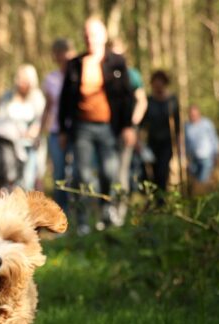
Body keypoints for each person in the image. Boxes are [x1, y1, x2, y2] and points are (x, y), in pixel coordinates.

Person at [58, 17, 135, 234]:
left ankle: (105, 213)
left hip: (109, 127)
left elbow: (127, 96)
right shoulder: (75, 64)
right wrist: (63, 129)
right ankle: (82, 221)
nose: (89, 39)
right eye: (86, 35)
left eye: (93, 34)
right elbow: (65, 100)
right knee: (82, 174)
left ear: (103, 37)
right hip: (82, 127)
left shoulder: (117, 62)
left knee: (109, 172)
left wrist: (128, 126)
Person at [0, 64, 46, 191]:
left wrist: (34, 131)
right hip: (10, 146)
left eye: (24, 79)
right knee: (10, 181)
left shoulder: (37, 97)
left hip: (30, 146)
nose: (20, 82)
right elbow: (0, 118)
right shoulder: (8, 96)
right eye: (19, 78)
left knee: (28, 181)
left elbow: (41, 119)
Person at [109, 37, 147, 203]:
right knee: (107, 169)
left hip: (126, 129)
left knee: (122, 170)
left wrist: (132, 123)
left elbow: (142, 101)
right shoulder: (104, 73)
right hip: (106, 128)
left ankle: (120, 210)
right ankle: (107, 208)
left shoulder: (133, 75)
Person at [40, 38, 77, 214]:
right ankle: (61, 215)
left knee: (78, 173)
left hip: (77, 131)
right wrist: (40, 131)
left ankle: (80, 213)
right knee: (59, 174)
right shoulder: (51, 79)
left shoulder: (79, 76)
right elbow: (48, 107)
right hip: (56, 132)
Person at [141, 70, 180, 199]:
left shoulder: (172, 101)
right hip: (152, 143)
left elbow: (178, 124)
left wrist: (178, 145)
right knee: (149, 172)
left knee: (162, 171)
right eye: (155, 83)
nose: (158, 85)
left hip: (167, 143)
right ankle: (151, 199)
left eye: (160, 82)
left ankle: (161, 202)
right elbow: (142, 123)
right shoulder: (149, 101)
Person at [184, 104, 219, 184]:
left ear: (199, 113)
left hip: (206, 159)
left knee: (202, 181)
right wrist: (184, 156)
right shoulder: (186, 126)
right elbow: (185, 142)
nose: (193, 116)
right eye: (191, 114)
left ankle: (202, 194)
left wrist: (217, 154)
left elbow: (214, 139)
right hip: (193, 159)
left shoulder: (207, 124)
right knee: (194, 181)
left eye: (195, 114)